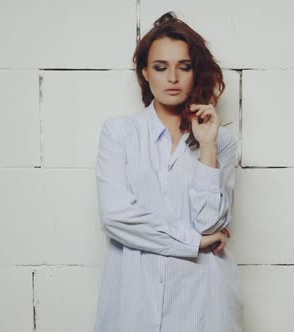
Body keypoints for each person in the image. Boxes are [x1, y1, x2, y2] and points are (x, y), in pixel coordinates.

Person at [93, 11, 243, 332]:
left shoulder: (220, 141)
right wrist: (194, 242)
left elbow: (210, 222)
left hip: (202, 299)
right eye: (161, 67)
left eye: (184, 67)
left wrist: (207, 147)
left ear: (195, 71)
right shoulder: (119, 133)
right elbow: (117, 217)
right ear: (145, 73)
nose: (172, 77)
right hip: (135, 301)